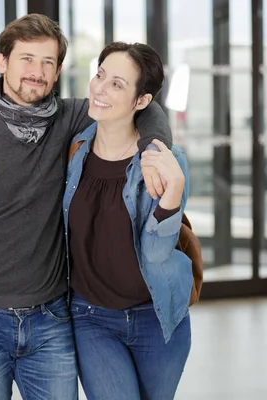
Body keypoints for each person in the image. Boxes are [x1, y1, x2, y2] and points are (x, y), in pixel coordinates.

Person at [0, 14, 172, 399]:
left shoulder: (69, 119)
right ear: (2, 61)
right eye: (26, 59)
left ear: (58, 70)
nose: (37, 72)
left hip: (50, 318)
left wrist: (153, 150)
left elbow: (146, 107)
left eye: (48, 62)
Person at [64, 42, 192, 399]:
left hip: (158, 316)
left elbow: (154, 253)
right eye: (100, 75)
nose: (100, 89)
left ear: (141, 101)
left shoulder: (166, 162)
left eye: (117, 84)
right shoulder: (73, 150)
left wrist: (172, 192)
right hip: (91, 315)